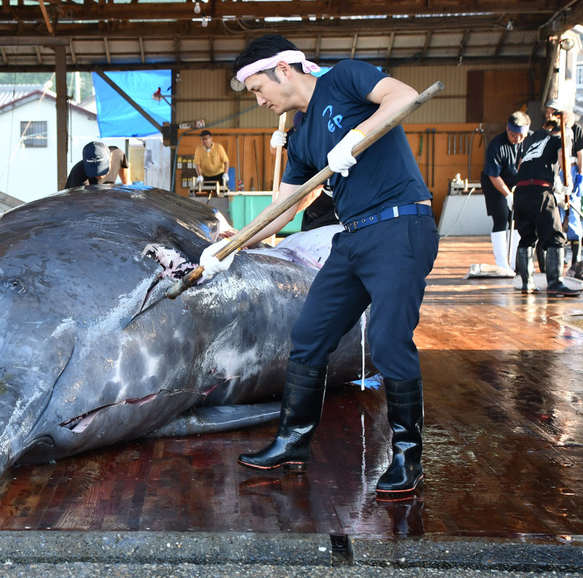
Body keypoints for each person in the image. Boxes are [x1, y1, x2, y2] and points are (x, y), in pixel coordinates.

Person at [199, 34, 439, 500]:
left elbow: (404, 96)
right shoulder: (301, 133)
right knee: (308, 337)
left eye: (257, 89)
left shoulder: (344, 78)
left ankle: (408, 457)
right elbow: (282, 210)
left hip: (399, 224)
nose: (259, 100)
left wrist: (357, 136)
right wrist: (232, 243)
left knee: (389, 341)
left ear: (283, 70)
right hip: (352, 238)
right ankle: (292, 442)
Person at [513, 117, 582, 296]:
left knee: (527, 237)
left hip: (520, 192)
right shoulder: (562, 139)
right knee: (556, 237)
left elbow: (520, 165)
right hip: (539, 192)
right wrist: (567, 187)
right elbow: (564, 161)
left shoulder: (535, 143)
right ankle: (555, 282)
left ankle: (526, 283)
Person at [480, 111, 530, 276]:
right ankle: (502, 263)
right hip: (495, 183)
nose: (517, 139)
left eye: (521, 135)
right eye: (514, 135)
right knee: (501, 218)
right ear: (507, 129)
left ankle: (516, 261)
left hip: (516, 182)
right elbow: (493, 175)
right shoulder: (496, 145)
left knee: (517, 219)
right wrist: (508, 195)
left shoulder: (528, 142)